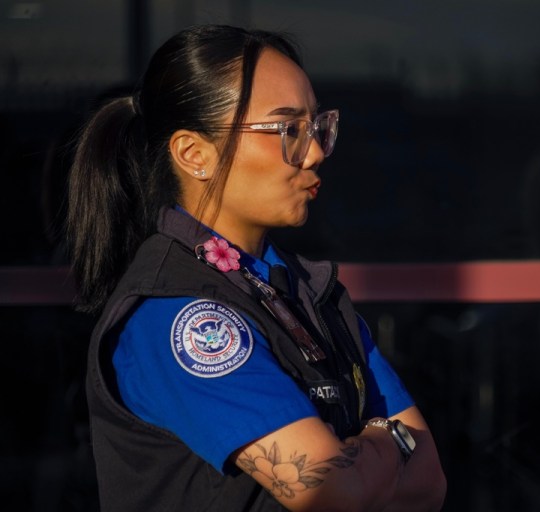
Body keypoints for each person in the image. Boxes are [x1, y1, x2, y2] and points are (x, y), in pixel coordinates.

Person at [66, 24, 447, 512]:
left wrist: (356, 456)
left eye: (317, 128)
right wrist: (385, 436)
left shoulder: (311, 291)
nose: (313, 154)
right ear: (193, 154)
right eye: (287, 129)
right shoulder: (180, 313)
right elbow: (335, 494)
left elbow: (429, 481)